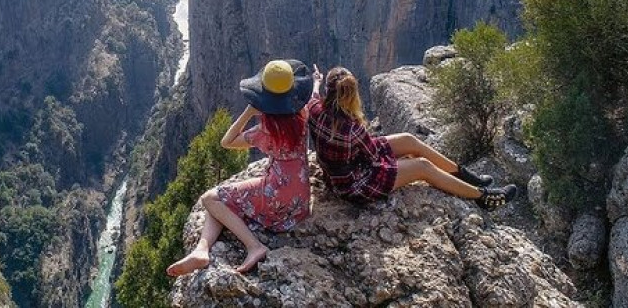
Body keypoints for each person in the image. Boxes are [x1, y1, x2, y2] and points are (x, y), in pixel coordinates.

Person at [167, 59, 313, 277]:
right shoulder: (302, 117)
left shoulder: (265, 131)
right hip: (300, 201)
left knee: (210, 199)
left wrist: (248, 112)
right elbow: (314, 99)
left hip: (276, 197)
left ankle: (254, 247)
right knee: (222, 203)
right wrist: (317, 84)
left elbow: (227, 141)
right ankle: (201, 249)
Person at [307, 65, 517, 210]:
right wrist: (404, 165)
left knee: (409, 140)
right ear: (352, 94)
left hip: (340, 174)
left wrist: (315, 81)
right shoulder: (353, 128)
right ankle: (482, 196)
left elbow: (313, 96)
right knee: (422, 167)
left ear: (329, 91)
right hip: (354, 184)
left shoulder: (315, 110)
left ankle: (466, 177)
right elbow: (373, 159)